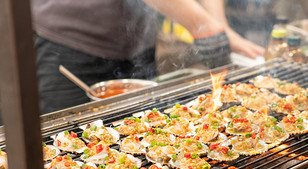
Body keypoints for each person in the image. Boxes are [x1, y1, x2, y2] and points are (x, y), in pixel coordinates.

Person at [31, 0, 265, 115]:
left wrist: (220, 27)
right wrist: (202, 25)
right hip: (69, 38)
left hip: (136, 40)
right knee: (66, 146)